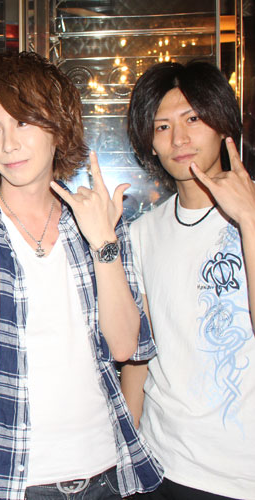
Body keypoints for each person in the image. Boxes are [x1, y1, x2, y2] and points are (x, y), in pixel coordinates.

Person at [0, 51, 163, 500]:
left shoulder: (96, 221)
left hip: (107, 473)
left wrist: (103, 241)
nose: (8, 144)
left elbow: (125, 347)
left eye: (23, 122)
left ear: (58, 128)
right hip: (10, 482)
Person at [122, 61, 255, 499]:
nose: (179, 139)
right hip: (164, 461)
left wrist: (249, 220)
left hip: (241, 473)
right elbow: (140, 354)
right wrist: (128, 453)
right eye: (162, 126)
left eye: (193, 119)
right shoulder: (143, 233)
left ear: (222, 124)